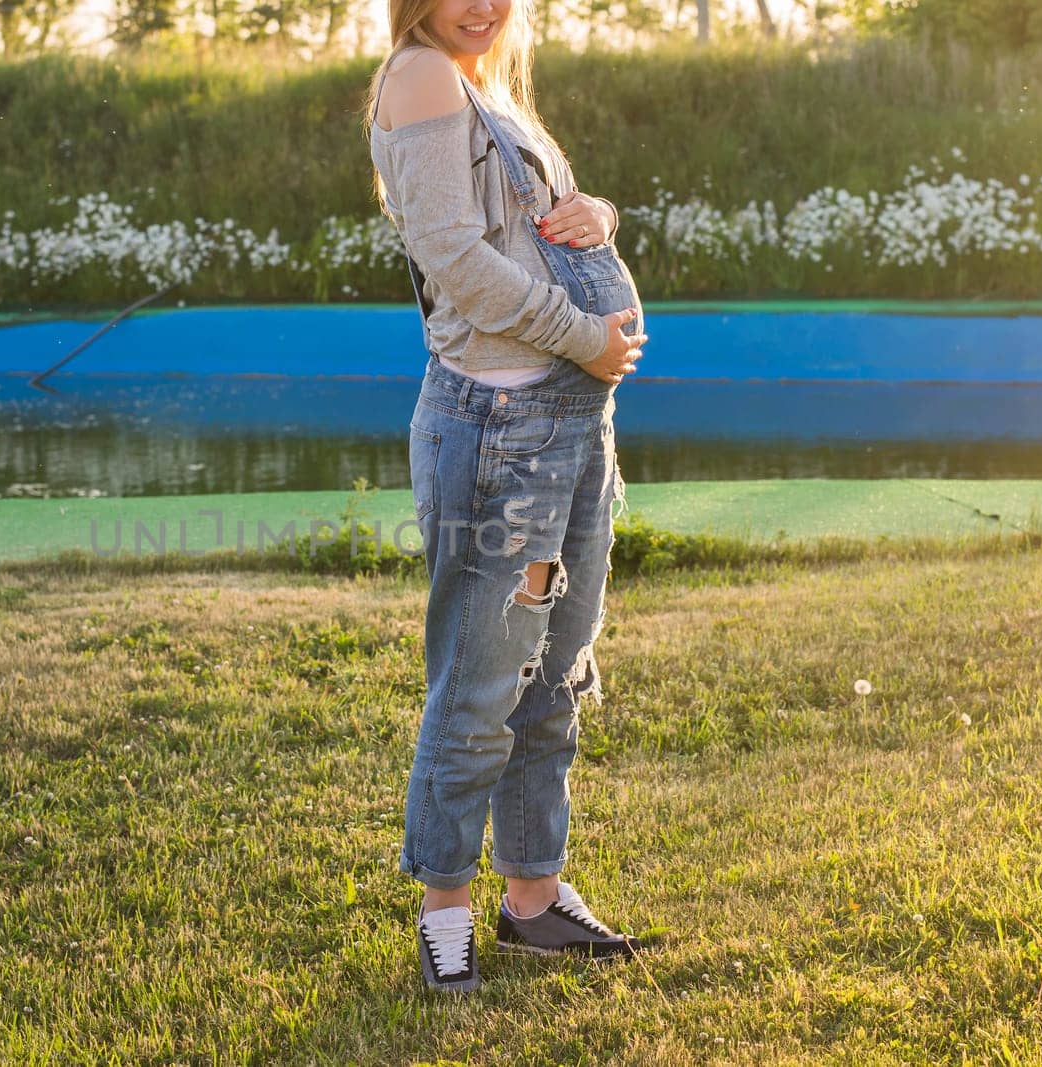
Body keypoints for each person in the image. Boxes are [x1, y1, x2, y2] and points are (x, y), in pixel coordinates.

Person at [364, 0, 653, 994]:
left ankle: (532, 896)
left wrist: (596, 218)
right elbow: (455, 261)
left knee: (555, 670)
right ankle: (444, 905)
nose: (480, 5)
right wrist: (585, 337)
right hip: (500, 432)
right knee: (481, 680)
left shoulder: (487, 89)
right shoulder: (420, 76)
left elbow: (535, 230)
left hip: (572, 426)